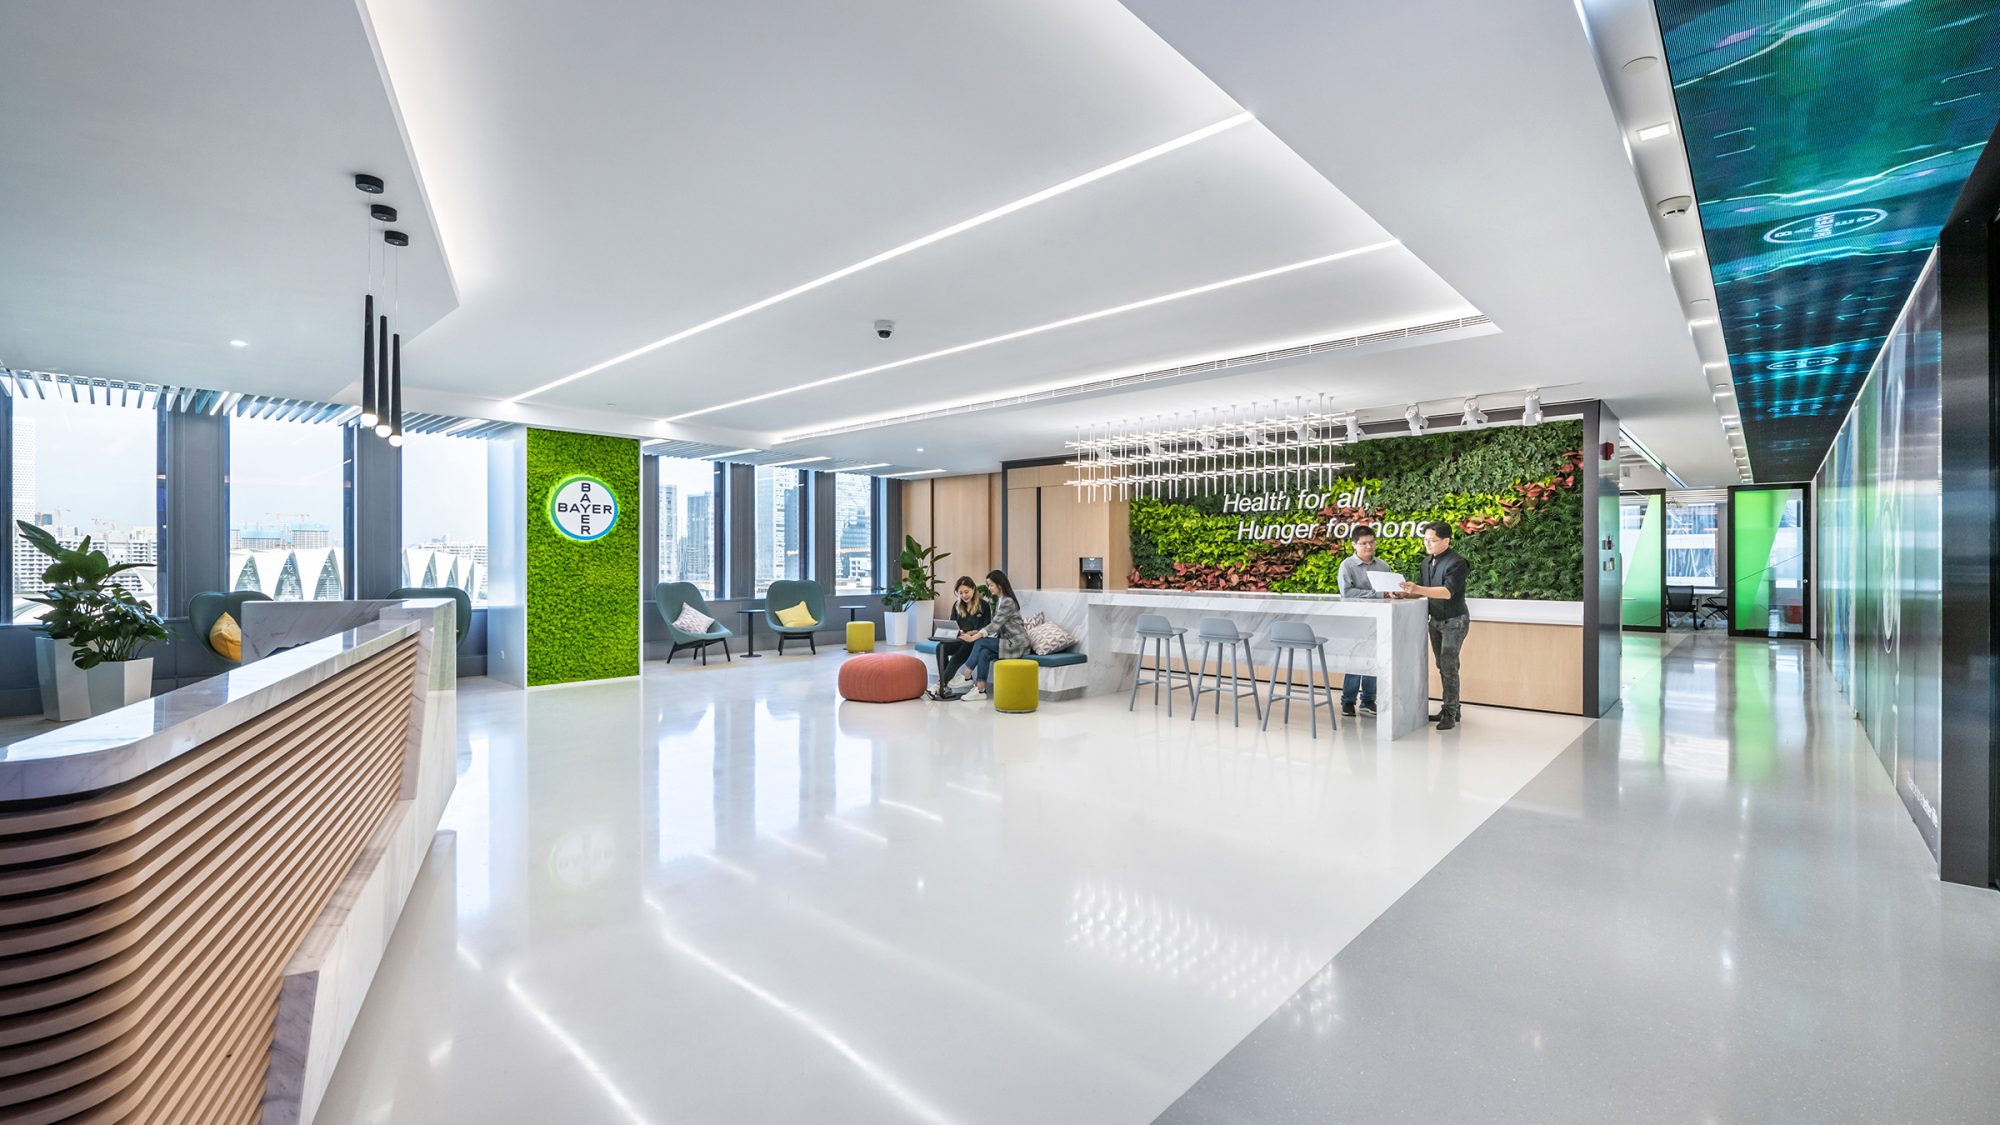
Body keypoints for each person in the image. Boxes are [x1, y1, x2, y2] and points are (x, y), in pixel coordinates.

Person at [1400, 521, 1470, 731]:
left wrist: (1417, 587)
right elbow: (1423, 591)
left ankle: (1450, 712)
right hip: (1435, 620)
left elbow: (1447, 592)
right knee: (1442, 665)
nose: (1428, 544)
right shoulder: (1425, 562)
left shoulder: (1458, 563)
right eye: (1425, 540)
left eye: (1432, 540)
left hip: (1454, 620)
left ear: (1446, 541)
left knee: (1449, 666)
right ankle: (1453, 707)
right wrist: (1404, 593)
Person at [1336, 526, 1394, 717]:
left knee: (1374, 661)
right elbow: (1347, 593)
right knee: (1355, 662)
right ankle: (1348, 702)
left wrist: (1394, 593)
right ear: (1354, 544)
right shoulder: (1347, 566)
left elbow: (1388, 592)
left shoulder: (1383, 566)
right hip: (1355, 621)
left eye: (1371, 542)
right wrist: (1377, 594)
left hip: (1379, 621)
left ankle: (1368, 701)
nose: (1368, 546)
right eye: (1363, 543)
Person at [959, 569, 1030, 702]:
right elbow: (995, 625)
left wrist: (974, 638)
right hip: (1007, 642)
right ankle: (980, 689)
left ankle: (966, 675)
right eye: (988, 585)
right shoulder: (1000, 600)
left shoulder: (1008, 601)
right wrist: (977, 632)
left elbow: (995, 625)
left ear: (1000, 585)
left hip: (1016, 644)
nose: (989, 588)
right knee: (984, 652)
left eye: (991, 585)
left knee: (980, 642)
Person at [929, 576, 991, 700]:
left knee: (965, 646)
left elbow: (986, 628)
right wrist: (959, 632)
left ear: (973, 589)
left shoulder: (984, 605)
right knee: (940, 647)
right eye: (961, 593)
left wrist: (969, 634)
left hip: (974, 641)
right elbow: (953, 626)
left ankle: (940, 684)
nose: (964, 595)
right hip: (959, 638)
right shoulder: (957, 605)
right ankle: (945, 685)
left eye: (966, 592)